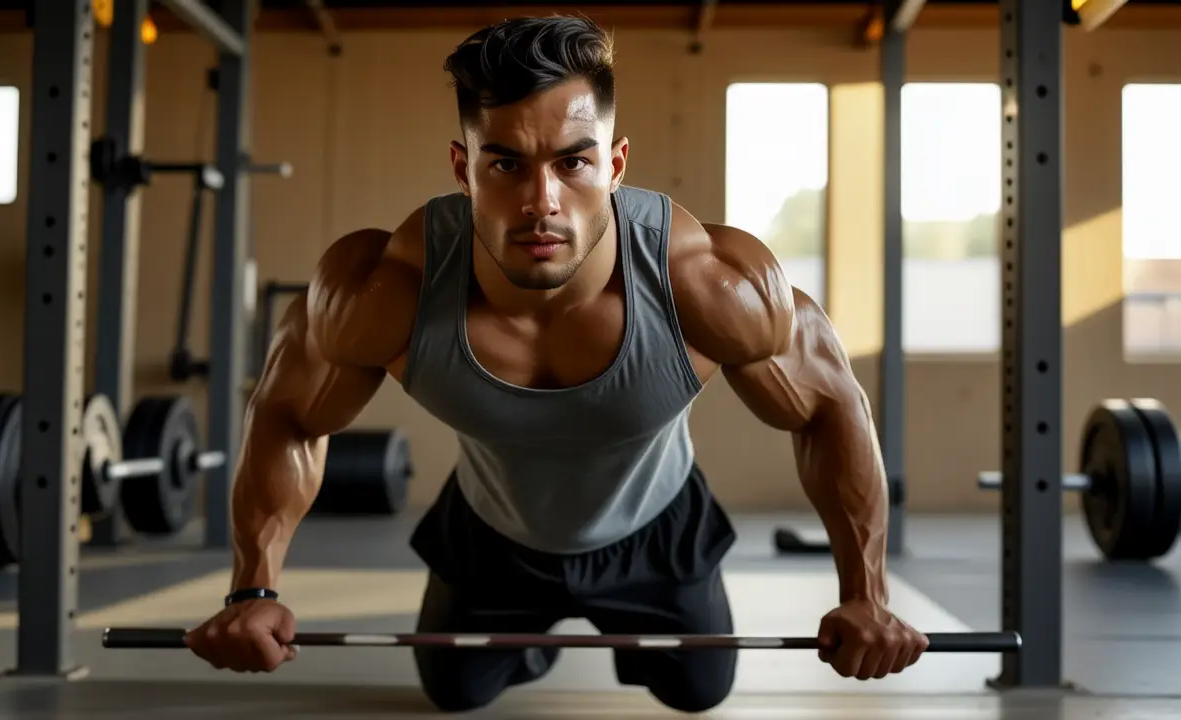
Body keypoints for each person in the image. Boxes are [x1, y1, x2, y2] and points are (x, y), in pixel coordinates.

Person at [183, 14, 929, 714]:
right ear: (463, 167)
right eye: (504, 162)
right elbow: (286, 412)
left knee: (699, 688)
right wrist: (252, 588)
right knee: (456, 691)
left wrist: (866, 593)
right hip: (489, 527)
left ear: (616, 163)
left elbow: (832, 405)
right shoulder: (385, 291)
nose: (540, 201)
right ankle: (526, 642)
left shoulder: (708, 287)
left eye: (573, 161)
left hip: (657, 523)